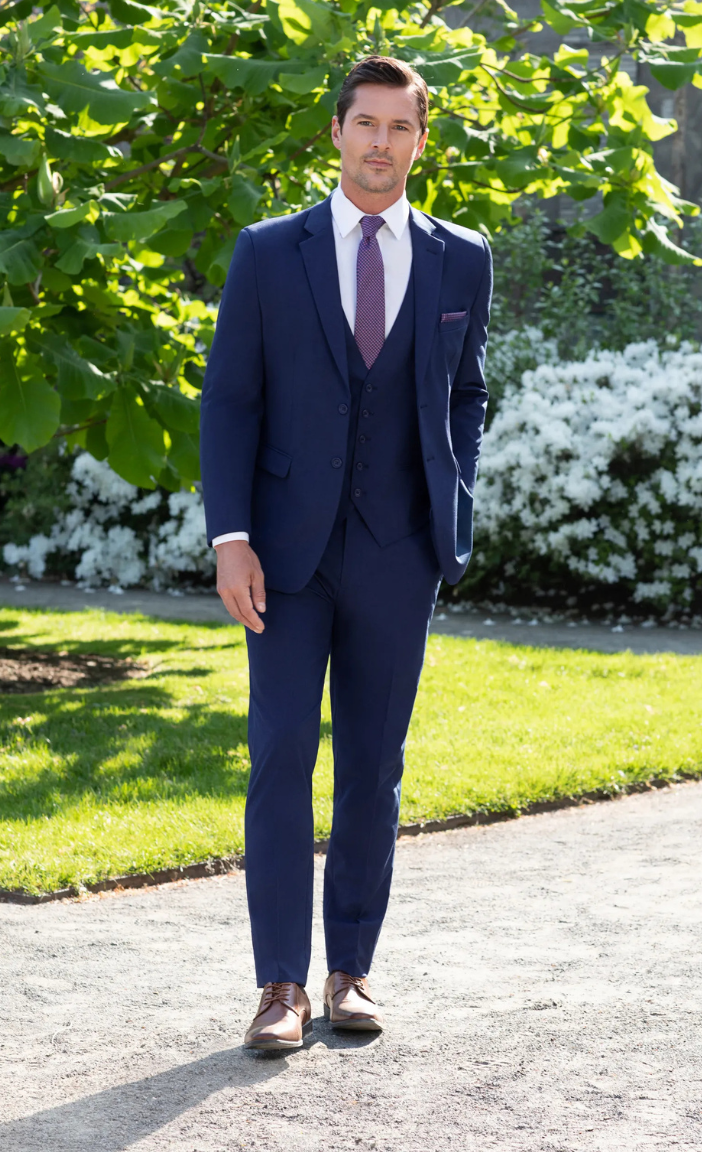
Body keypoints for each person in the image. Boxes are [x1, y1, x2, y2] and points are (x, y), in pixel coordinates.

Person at [200, 55, 492, 1051]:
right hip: (281, 554)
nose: (380, 142)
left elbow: (467, 388)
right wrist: (230, 537)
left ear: (420, 139)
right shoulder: (267, 253)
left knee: (374, 767)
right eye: (364, 123)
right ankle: (279, 985)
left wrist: (455, 488)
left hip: (398, 550)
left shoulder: (462, 257)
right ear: (335, 132)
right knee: (281, 756)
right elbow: (231, 399)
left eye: (398, 127)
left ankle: (350, 974)